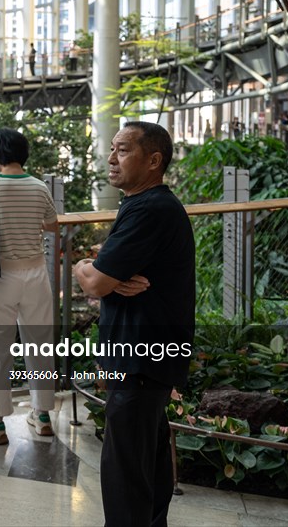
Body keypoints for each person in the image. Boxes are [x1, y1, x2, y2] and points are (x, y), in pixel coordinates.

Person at [72, 121, 195, 527]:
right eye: (112, 149)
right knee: (147, 463)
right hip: (147, 358)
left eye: (123, 150)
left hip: (140, 360)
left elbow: (95, 282)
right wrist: (104, 270)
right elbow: (106, 274)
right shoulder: (145, 204)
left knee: (126, 473)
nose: (111, 158)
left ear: (154, 160)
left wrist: (82, 265)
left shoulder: (149, 209)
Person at [0, 128, 60, 444]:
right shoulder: (39, 186)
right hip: (35, 274)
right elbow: (51, 224)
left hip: (0, 276)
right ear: (23, 154)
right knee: (39, 344)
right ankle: (42, 415)